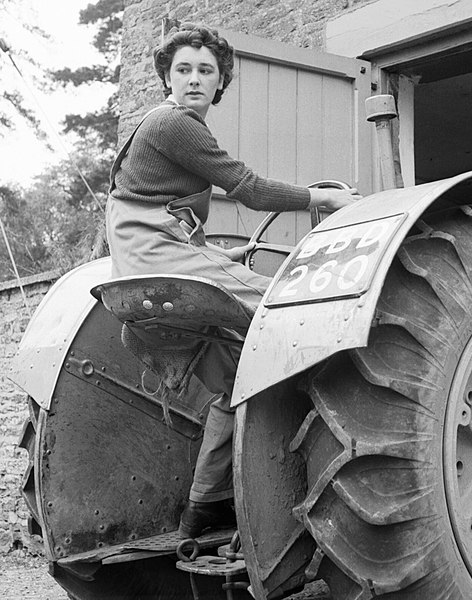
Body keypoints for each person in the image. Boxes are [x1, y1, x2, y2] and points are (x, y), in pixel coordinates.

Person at [105, 22, 361, 538]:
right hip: (161, 263)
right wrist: (326, 199)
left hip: (145, 267)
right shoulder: (173, 124)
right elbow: (248, 188)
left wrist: (225, 253)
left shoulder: (162, 130)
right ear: (167, 78)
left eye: (206, 71)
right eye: (184, 70)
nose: (195, 80)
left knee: (232, 386)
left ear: (220, 82)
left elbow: (156, 215)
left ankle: (201, 510)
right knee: (293, 305)